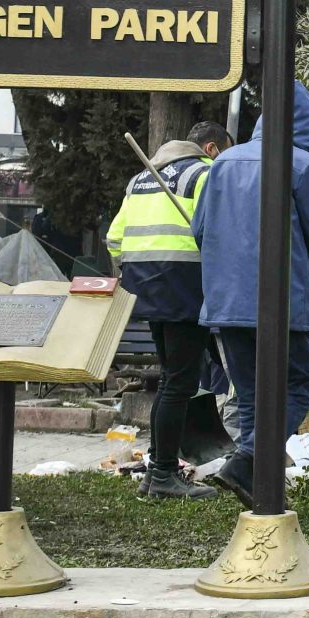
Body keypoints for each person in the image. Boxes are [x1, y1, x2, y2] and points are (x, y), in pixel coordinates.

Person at [189, 85, 309, 501]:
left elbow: (199, 230)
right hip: (280, 300)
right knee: (297, 383)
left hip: (225, 301)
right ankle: (247, 462)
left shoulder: (222, 161)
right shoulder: (300, 164)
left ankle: (253, 480)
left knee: (250, 394)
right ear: (308, 129)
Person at [105, 120, 229, 497]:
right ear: (210, 149)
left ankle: (156, 471)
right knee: (180, 383)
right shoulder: (204, 174)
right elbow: (220, 231)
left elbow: (114, 239)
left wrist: (138, 272)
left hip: (146, 289)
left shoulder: (140, 179)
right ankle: (161, 475)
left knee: (173, 378)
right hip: (185, 284)